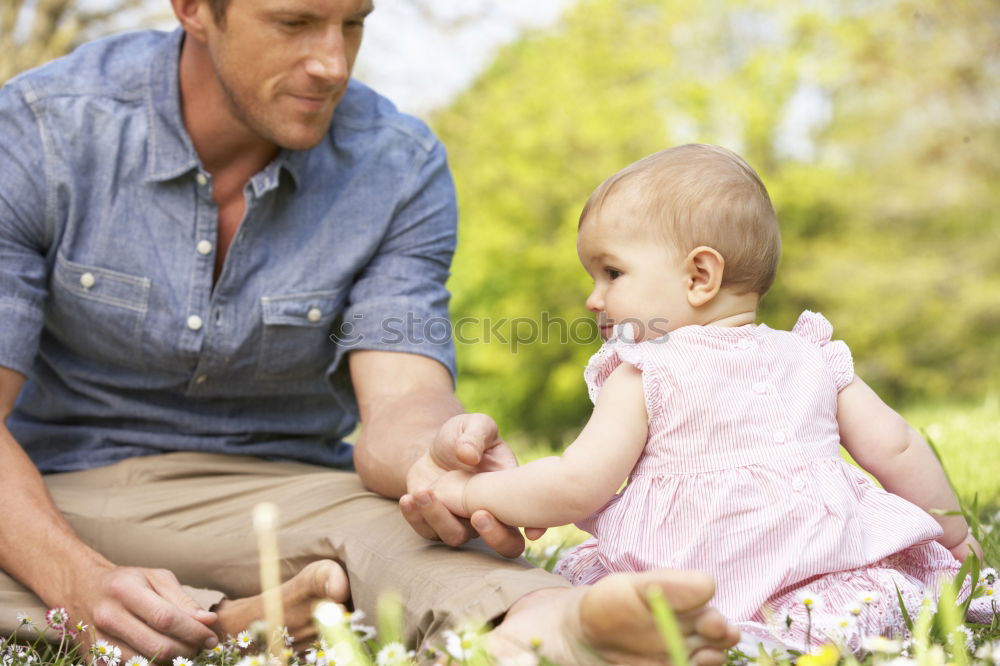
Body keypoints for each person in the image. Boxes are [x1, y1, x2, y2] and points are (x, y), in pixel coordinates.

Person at [0, 0, 741, 662]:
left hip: (276, 495)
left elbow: (402, 402)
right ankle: (222, 623)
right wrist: (74, 577)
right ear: (194, 9)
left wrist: (441, 457)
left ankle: (557, 626)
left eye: (354, 23)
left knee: (391, 529)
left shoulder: (396, 164)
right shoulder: (43, 130)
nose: (331, 62)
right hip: (47, 488)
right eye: (294, 23)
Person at [429, 144, 994, 652]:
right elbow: (895, 448)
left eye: (611, 272)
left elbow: (576, 484)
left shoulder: (647, 370)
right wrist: (955, 538)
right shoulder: (810, 356)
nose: (592, 299)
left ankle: (722, 637)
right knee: (855, 615)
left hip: (693, 583)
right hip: (825, 586)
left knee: (600, 604)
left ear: (700, 274)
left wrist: (471, 488)